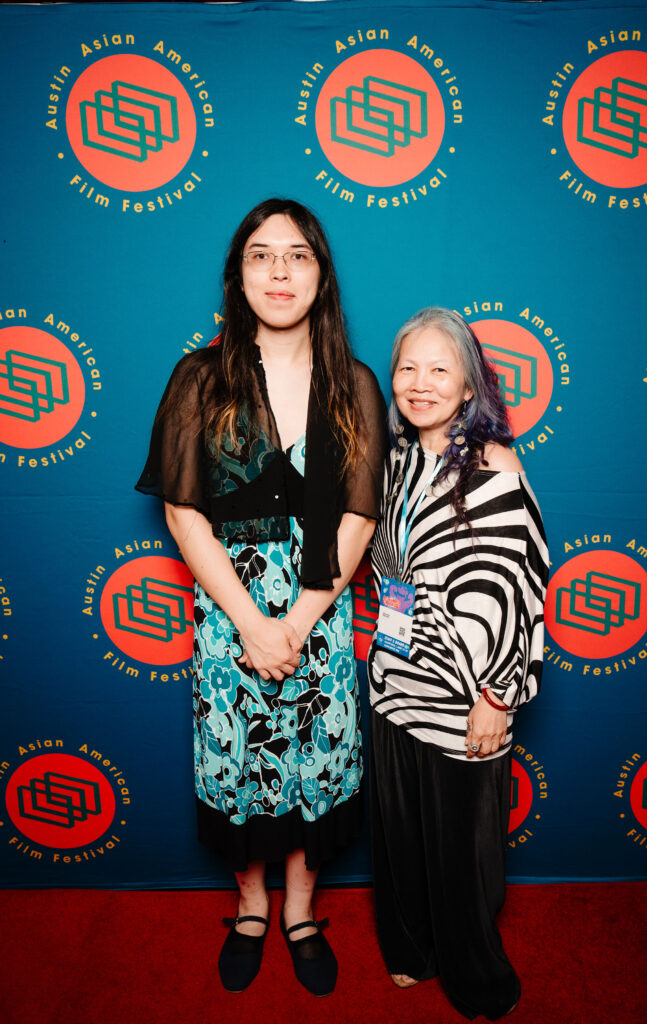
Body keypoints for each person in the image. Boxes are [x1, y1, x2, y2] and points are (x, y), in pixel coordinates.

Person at [136, 198, 386, 996]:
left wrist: (300, 620)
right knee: (240, 764)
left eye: (297, 254)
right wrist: (252, 622)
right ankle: (250, 907)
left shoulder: (353, 383)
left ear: (321, 273)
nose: (279, 270)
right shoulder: (198, 377)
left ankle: (300, 910)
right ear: (237, 275)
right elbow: (182, 510)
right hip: (229, 617)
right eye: (260, 254)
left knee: (316, 760)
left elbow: (357, 514)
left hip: (320, 605)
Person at [368, 307, 548, 1020]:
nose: (420, 383)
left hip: (464, 695)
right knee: (402, 840)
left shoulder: (493, 464)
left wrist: (497, 696)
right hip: (393, 682)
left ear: (469, 388)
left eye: (439, 368)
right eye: (407, 367)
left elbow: (518, 585)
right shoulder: (394, 459)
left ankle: (476, 977)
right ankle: (410, 949)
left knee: (461, 854)